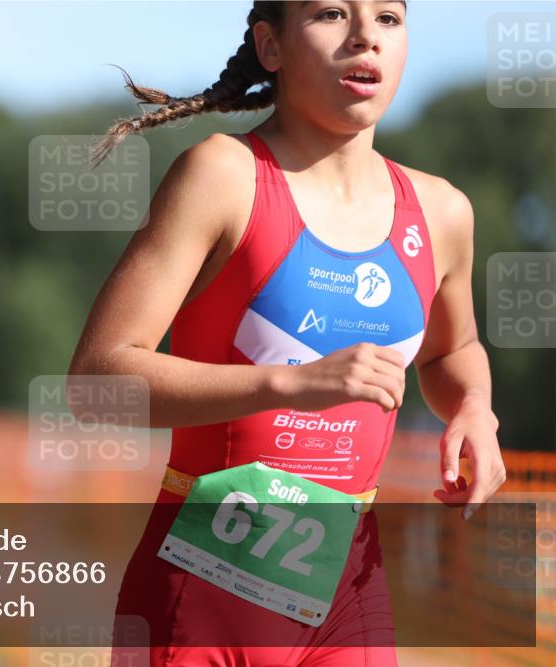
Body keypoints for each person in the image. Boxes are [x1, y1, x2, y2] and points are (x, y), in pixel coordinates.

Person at [70, 2, 506, 665]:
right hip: (201, 587)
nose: (365, 36)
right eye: (333, 12)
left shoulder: (443, 211)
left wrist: (474, 407)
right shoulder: (221, 176)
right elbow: (96, 382)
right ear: (269, 46)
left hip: (349, 596)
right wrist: (293, 383)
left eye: (388, 17)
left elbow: (453, 349)